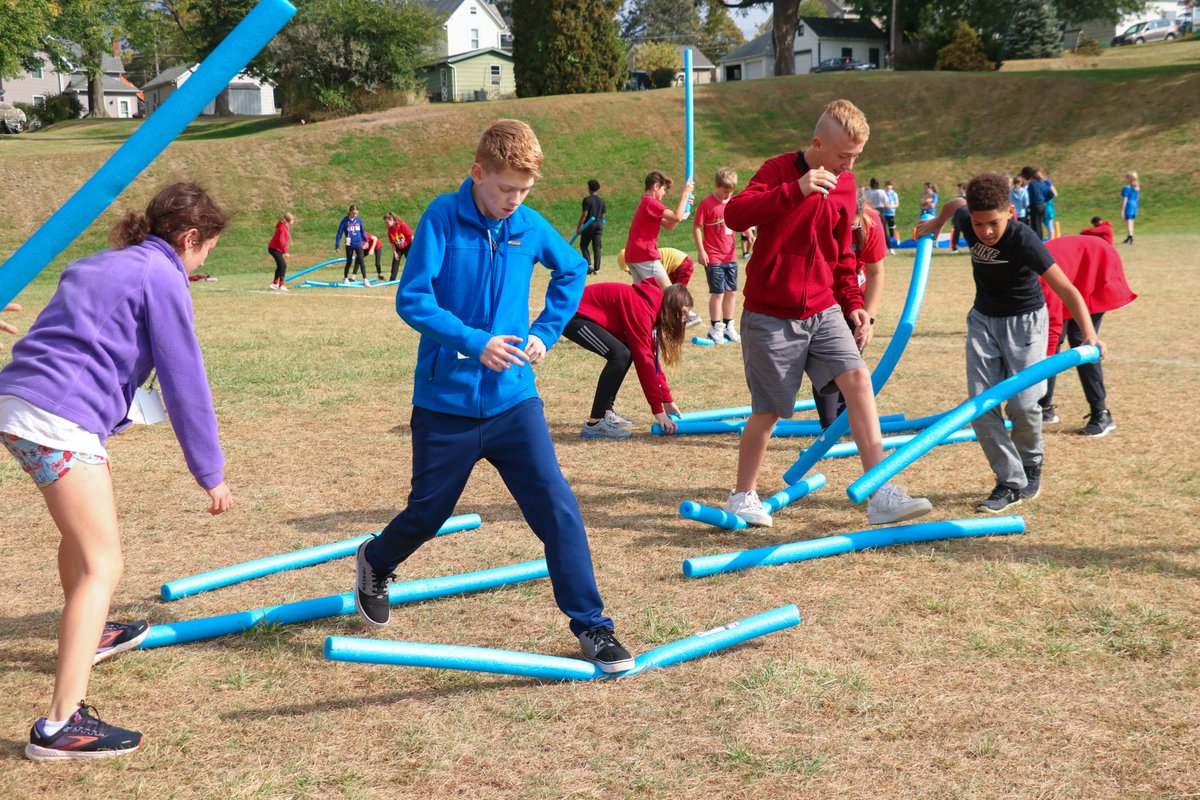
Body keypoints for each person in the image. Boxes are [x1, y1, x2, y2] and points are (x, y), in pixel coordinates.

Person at [353, 119, 635, 673]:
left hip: (514, 403)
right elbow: (412, 300)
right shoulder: (440, 218)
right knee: (428, 512)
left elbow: (572, 268)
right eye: (505, 189)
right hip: (445, 404)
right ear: (478, 173)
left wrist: (546, 331)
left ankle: (594, 628)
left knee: (558, 509)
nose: (514, 201)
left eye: (524, 192)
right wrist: (474, 341)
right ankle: (375, 560)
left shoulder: (527, 226)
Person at [0, 182, 234, 761]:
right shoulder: (162, 276)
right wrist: (211, 471)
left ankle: (93, 631)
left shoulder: (99, 263)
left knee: (81, 546)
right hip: (58, 420)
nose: (202, 263)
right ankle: (60, 726)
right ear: (189, 238)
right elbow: (186, 380)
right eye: (206, 252)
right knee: (105, 562)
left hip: (17, 404)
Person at [719, 98, 932, 528]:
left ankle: (881, 493)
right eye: (842, 157)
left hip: (822, 308)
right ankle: (742, 496)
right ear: (817, 144)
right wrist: (795, 190)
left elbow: (841, 255)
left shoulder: (847, 186)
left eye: (856, 158)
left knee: (858, 382)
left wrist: (854, 304)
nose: (849, 167)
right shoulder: (779, 170)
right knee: (770, 411)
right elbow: (735, 214)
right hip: (770, 313)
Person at [917, 172, 1107, 514]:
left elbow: (1067, 289)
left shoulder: (1024, 239)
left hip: (1025, 323)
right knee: (980, 405)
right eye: (978, 224)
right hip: (983, 320)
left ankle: (1031, 463)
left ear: (1009, 210)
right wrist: (936, 223)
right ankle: (1010, 480)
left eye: (993, 223)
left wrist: (1089, 336)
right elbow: (956, 203)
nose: (986, 232)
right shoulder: (967, 215)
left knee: (1023, 403)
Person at [564, 279, 692, 440]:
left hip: (581, 314)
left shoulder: (653, 308)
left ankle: (606, 412)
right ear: (671, 307)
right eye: (683, 313)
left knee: (625, 353)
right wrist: (657, 410)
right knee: (620, 355)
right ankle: (595, 424)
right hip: (572, 315)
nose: (683, 320)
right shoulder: (643, 307)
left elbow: (651, 359)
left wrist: (667, 400)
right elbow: (644, 361)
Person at [1038, 235, 1135, 436]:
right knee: (1050, 343)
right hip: (1071, 273)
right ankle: (1044, 407)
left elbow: (1053, 321)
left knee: (1081, 341)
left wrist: (1046, 353)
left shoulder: (1037, 278)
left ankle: (1101, 413)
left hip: (1096, 266)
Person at [811, 190, 888, 428]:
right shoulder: (819, 220)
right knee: (825, 360)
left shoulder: (870, 223)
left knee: (850, 359)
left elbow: (876, 273)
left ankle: (846, 421)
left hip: (854, 299)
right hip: (822, 296)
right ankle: (829, 426)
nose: (850, 228)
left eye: (853, 224)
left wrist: (869, 321)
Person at [693, 167, 742, 344]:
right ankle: (715, 327)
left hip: (731, 257)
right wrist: (701, 251)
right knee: (718, 293)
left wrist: (748, 233)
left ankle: (729, 325)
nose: (727, 195)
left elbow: (740, 221)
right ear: (717, 185)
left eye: (730, 191)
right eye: (724, 191)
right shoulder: (707, 204)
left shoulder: (733, 202)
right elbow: (697, 227)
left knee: (732, 292)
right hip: (713, 256)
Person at [623, 170, 694, 288]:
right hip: (644, 254)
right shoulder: (651, 202)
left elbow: (669, 225)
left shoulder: (646, 203)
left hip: (633, 255)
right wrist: (685, 194)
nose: (664, 193)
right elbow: (676, 216)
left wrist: (685, 205)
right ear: (656, 186)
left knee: (644, 296)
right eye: (664, 189)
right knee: (670, 293)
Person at [577, 179, 606, 274]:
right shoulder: (602, 201)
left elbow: (584, 214)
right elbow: (603, 216)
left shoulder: (587, 200)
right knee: (597, 246)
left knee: (584, 245)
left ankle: (589, 265)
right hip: (599, 224)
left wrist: (579, 227)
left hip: (589, 224)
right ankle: (597, 269)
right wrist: (602, 224)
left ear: (589, 188)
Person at [334, 204, 368, 284]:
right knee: (349, 261)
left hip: (358, 243)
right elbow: (339, 233)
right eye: (353, 213)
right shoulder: (345, 221)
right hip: (349, 244)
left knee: (361, 260)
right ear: (349, 212)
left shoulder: (359, 220)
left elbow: (362, 232)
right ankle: (345, 278)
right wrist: (337, 245)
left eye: (356, 213)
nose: (355, 215)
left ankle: (365, 279)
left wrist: (366, 240)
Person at [268, 212, 294, 291]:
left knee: (280, 266)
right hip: (274, 249)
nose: (293, 221)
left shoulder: (284, 227)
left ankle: (275, 283)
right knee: (283, 266)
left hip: (275, 248)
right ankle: (281, 285)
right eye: (293, 220)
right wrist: (285, 252)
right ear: (289, 220)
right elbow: (282, 242)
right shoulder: (283, 228)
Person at [385, 212, 415, 281]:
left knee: (410, 261)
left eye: (387, 222)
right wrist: (394, 252)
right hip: (398, 247)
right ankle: (392, 278)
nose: (386, 224)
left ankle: (414, 276)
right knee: (395, 261)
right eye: (385, 223)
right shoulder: (390, 230)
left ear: (392, 219)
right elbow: (392, 242)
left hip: (408, 245)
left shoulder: (402, 225)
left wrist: (413, 247)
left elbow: (411, 236)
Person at [1120, 171, 1140, 244]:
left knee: (1128, 221)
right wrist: (1137, 208)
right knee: (1132, 221)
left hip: (1129, 205)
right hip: (1134, 205)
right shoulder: (1137, 188)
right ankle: (1129, 236)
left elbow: (1125, 199)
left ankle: (1130, 237)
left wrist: (1122, 210)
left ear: (1128, 179)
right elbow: (1137, 199)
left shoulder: (1126, 188)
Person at [949, 181, 968, 253]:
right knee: (956, 233)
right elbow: (954, 209)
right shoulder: (957, 198)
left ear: (964, 189)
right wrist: (953, 219)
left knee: (967, 233)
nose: (958, 190)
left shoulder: (968, 198)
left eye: (959, 188)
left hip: (965, 219)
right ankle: (955, 248)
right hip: (957, 218)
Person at [883, 180, 899, 251]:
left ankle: (892, 243)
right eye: (887, 185)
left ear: (892, 186)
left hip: (891, 213)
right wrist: (885, 206)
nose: (888, 187)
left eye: (890, 185)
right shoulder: (883, 193)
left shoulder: (894, 194)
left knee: (891, 228)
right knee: (883, 228)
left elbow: (897, 204)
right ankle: (884, 243)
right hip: (884, 213)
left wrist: (891, 206)